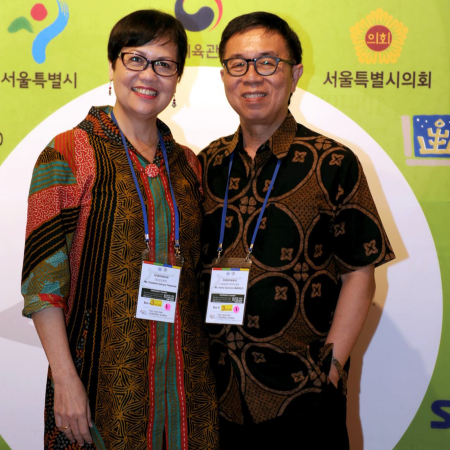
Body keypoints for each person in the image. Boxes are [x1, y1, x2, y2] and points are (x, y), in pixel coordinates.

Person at [22, 10, 219, 450]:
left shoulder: (188, 164)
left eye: (164, 64)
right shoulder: (69, 152)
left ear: (177, 78)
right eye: (135, 59)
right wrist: (65, 379)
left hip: (186, 387)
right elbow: (42, 284)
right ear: (112, 66)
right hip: (97, 382)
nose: (148, 75)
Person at [198, 11, 395, 449]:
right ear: (224, 76)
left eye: (268, 62)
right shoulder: (205, 163)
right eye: (238, 64)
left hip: (302, 397)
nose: (252, 76)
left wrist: (331, 370)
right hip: (216, 397)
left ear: (295, 74)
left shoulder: (333, 161)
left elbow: (359, 274)